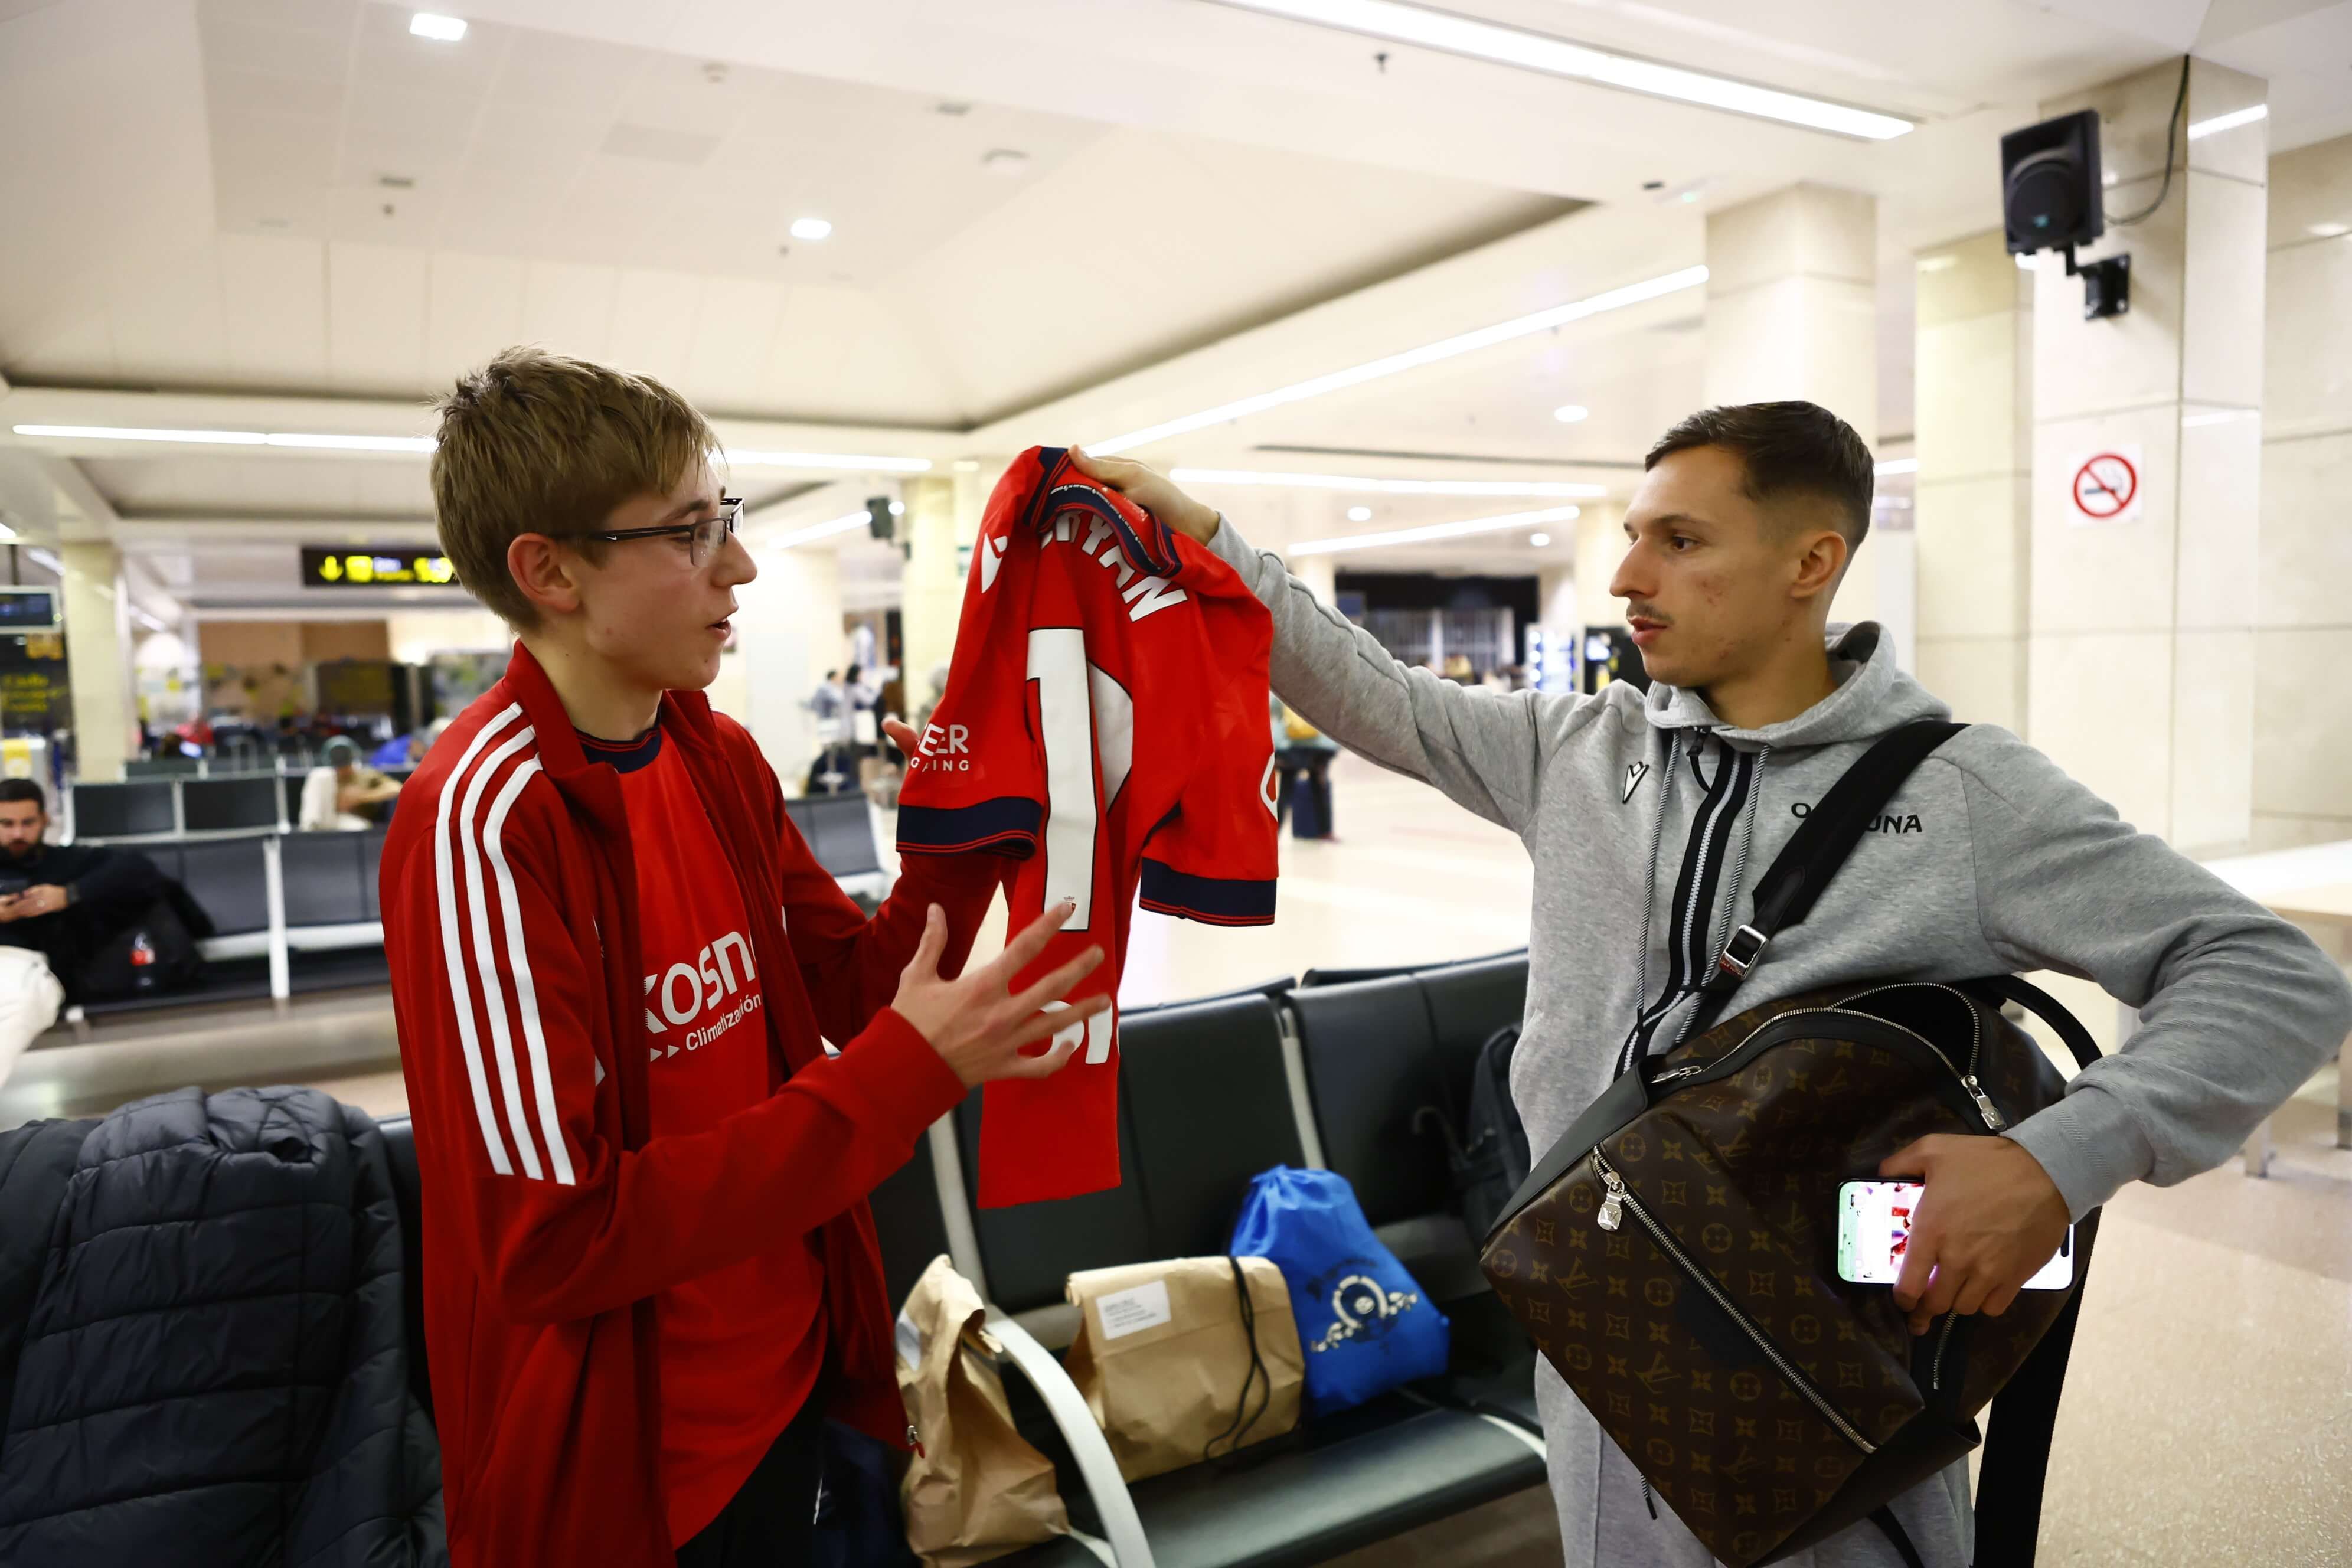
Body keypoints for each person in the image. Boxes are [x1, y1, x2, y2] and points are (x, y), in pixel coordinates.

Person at [1070, 404, 2352, 1568]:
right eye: (1632, 536)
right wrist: (1212, 542)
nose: (1628, 576)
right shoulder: (1574, 750)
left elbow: (2270, 972)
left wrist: (2058, 1158)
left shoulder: (1964, 797)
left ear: (1812, 562)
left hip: (1813, 1348)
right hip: (1599, 1325)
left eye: (1681, 540)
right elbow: (1376, 692)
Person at [381, 345, 1102, 1568]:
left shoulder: (713, 754)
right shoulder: (485, 823)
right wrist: (899, 1076)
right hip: (634, 1475)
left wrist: (957, 829)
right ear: (548, 569)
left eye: (729, 521)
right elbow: (555, 1239)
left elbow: (856, 992)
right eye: (685, 534)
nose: (742, 564)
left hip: (799, 1395)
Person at [0, 779, 164, 1077]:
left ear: (45, 821)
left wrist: (69, 894)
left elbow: (139, 868)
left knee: (21, 1001)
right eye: (7, 824)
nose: (18, 834)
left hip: (29, 965)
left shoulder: (63, 862)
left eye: (28, 823)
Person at [1270, 693, 1338, 841]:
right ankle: (1325, 832)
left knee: (1286, 792)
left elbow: (1273, 709)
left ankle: (1275, 834)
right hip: (1318, 745)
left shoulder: (1285, 686)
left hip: (1290, 745)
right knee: (1320, 789)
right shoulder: (1320, 688)